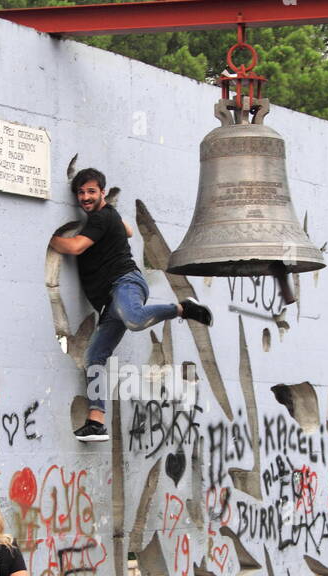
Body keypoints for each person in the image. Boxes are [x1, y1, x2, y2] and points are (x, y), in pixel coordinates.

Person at [48, 167, 213, 442]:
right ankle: (96, 421)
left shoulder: (100, 218)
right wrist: (114, 221)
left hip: (125, 283)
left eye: (91, 191)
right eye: (81, 192)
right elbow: (128, 230)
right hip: (110, 302)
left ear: (103, 192)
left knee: (135, 319)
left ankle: (183, 308)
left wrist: (49, 238)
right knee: (95, 357)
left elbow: (76, 247)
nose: (85, 197)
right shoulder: (108, 215)